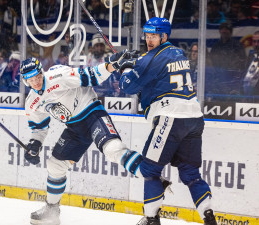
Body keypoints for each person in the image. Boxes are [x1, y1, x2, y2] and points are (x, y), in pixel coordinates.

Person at [20, 53, 148, 225]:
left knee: (112, 150)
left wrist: (112, 65)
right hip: (75, 128)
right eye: (30, 80)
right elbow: (39, 128)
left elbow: (90, 75)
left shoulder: (58, 75)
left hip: (92, 114)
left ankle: (151, 175)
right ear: (25, 82)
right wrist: (34, 145)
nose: (35, 82)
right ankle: (52, 209)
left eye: (37, 76)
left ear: (41, 72)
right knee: (55, 165)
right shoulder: (32, 102)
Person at [118, 17, 217, 225]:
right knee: (190, 173)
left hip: (172, 118)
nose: (149, 39)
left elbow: (127, 86)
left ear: (164, 36)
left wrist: (126, 68)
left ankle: (152, 219)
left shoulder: (153, 58)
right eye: (147, 35)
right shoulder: (178, 53)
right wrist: (139, 65)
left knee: (149, 170)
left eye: (154, 36)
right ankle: (208, 216)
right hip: (194, 119)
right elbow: (158, 80)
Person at [243, 30, 259, 96]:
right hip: (249, 95)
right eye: (254, 41)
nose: (256, 44)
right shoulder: (251, 56)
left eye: (258, 41)